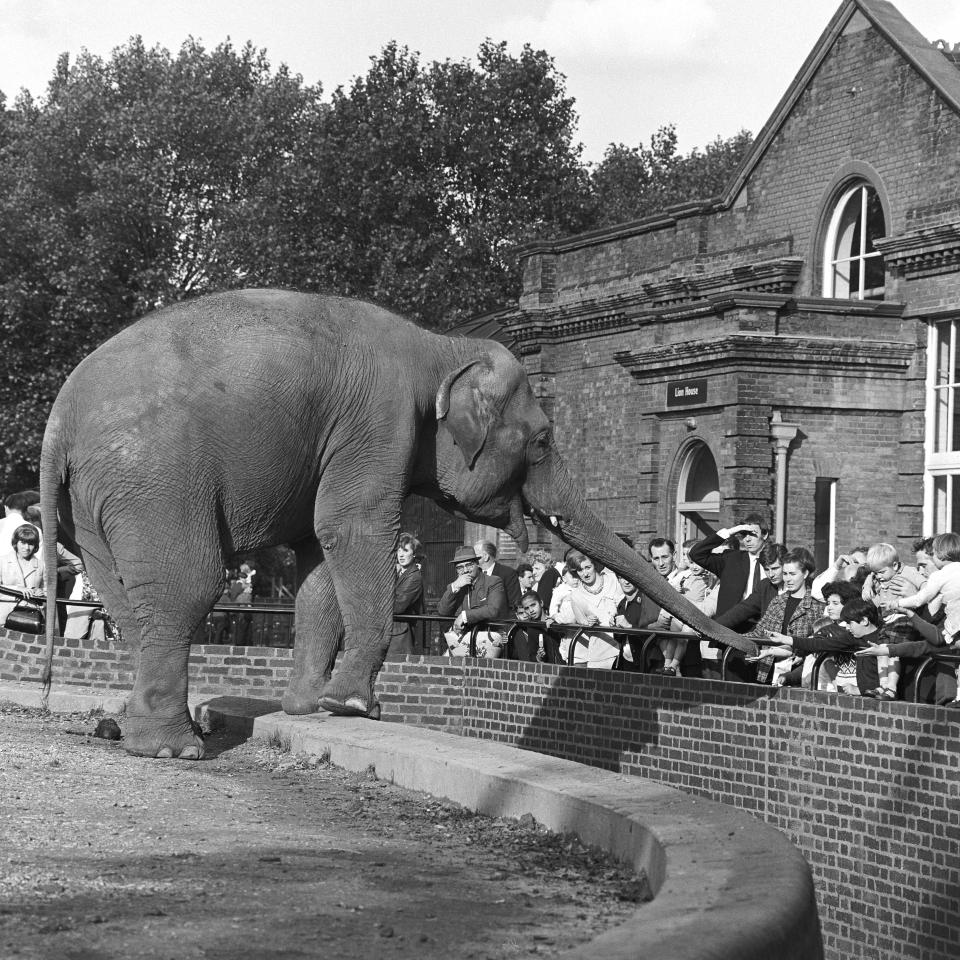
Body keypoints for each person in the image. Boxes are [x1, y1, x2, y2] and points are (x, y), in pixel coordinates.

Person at [890, 531, 960, 702]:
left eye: (924, 565)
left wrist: (907, 602)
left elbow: (936, 633)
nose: (919, 571)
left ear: (939, 558)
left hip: (938, 671)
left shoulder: (943, 580)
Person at [742, 548, 822, 685]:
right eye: (785, 574)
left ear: (805, 573)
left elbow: (818, 642)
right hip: (769, 670)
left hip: (800, 674)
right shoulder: (778, 601)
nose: (788, 579)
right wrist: (732, 637)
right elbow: (759, 631)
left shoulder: (817, 606)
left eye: (792, 574)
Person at [859, 543, 924, 699]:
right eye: (875, 573)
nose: (878, 576)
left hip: (903, 618)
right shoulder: (879, 578)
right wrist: (867, 587)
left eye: (881, 572)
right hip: (887, 620)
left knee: (892, 652)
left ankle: (892, 687)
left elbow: (925, 586)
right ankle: (883, 686)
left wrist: (913, 595)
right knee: (881, 651)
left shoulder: (908, 572)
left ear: (894, 565)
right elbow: (875, 592)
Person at [689, 513, 770, 617]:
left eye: (752, 534)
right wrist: (730, 531)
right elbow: (696, 554)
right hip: (731, 624)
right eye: (744, 534)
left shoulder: (775, 561)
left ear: (765, 534)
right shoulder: (731, 559)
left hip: (764, 623)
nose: (747, 539)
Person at [555, 551, 624, 669]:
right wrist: (589, 622)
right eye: (580, 570)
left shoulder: (612, 580)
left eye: (588, 567)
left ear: (595, 565)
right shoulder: (576, 596)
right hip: (600, 656)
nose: (585, 573)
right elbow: (582, 624)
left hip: (624, 649)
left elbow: (625, 606)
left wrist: (617, 616)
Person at [654, 540, 712, 676]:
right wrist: (678, 589)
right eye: (691, 563)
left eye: (698, 562)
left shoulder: (708, 577)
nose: (694, 567)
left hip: (692, 615)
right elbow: (673, 589)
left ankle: (674, 665)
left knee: (682, 638)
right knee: (673, 637)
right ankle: (667, 664)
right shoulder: (686, 575)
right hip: (680, 614)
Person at [437, 545, 508, 656]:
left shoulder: (493, 581)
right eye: (460, 567)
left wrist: (464, 616)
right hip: (461, 643)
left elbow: (493, 609)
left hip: (487, 642)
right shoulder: (456, 586)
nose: (465, 571)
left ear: (477, 564)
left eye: (469, 565)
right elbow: (442, 611)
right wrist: (455, 586)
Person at [387, 533, 425, 657]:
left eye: (405, 550)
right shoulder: (397, 572)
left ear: (414, 554)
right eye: (398, 550)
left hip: (401, 636)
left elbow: (398, 606)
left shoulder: (414, 577)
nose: (401, 554)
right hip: (390, 631)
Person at [0, 524, 45, 626]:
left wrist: (40, 593)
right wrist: (18, 589)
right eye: (23, 543)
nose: (27, 548)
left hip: (30, 618)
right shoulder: (2, 561)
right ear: (16, 542)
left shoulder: (41, 565)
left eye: (31, 544)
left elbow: (46, 590)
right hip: (4, 617)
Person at [474, 540, 522, 612]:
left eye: (475, 556)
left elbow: (514, 603)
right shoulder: (474, 574)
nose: (472, 559)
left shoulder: (508, 573)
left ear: (485, 556)